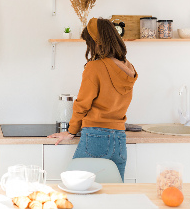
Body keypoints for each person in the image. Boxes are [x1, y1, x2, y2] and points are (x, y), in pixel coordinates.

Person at [48, 18, 138, 181]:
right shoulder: (128, 67)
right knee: (114, 194)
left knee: (75, 187)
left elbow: (82, 104)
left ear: (96, 42)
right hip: (119, 139)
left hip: (96, 137)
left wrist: (71, 131)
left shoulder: (95, 67)